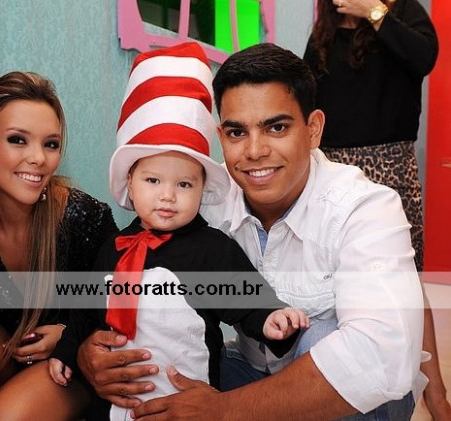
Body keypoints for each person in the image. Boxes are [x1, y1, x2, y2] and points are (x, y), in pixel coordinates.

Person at [74, 43, 426, 420]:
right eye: (237, 132)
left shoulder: (364, 207)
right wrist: (88, 351)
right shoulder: (197, 199)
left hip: (344, 396)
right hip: (246, 368)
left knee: (321, 337)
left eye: (276, 127)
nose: (255, 151)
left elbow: (383, 355)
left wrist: (224, 410)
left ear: (313, 129)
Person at [47, 42, 309, 421]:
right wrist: (66, 352)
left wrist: (271, 318)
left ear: (202, 189)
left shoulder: (211, 249)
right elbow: (85, 315)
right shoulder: (113, 247)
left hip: (187, 400)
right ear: (130, 183)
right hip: (118, 404)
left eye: (184, 184)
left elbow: (246, 296)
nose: (168, 196)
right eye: (153, 180)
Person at [0, 71, 118, 421]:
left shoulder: (83, 217)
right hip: (10, 352)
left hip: (72, 361)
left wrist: (68, 334)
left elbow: (128, 299)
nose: (38, 158)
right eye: (18, 140)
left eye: (50, 144)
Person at [303, 1, 449, 418]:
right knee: (334, 280)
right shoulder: (325, 31)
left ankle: (435, 394)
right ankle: (350, 384)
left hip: (390, 164)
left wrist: (374, 12)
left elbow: (424, 58)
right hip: (330, 166)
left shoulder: (402, 10)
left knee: (405, 281)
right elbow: (305, 93)